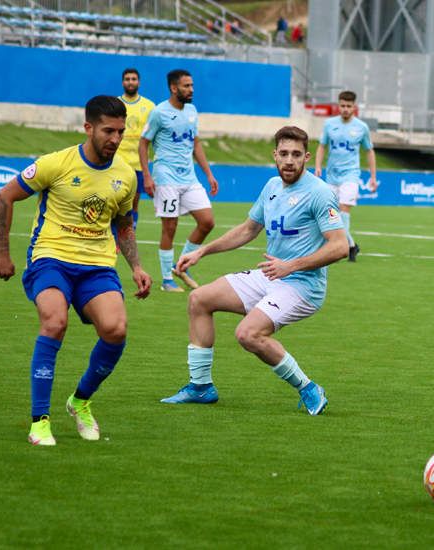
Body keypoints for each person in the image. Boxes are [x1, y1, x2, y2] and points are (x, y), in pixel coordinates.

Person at [0, 95, 152, 446]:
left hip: (96, 266)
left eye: (121, 132)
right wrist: (3, 254)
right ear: (88, 127)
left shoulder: (125, 176)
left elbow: (124, 225)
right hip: (51, 258)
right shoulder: (56, 163)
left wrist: (136, 266)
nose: (115, 139)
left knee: (116, 329)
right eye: (108, 131)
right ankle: (40, 420)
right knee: (54, 321)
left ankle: (80, 401)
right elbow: (4, 196)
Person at [160, 126, 347, 415]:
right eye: (283, 153)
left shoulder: (319, 194)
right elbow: (248, 229)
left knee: (248, 334)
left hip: (302, 286)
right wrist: (202, 251)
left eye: (296, 155)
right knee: (199, 299)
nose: (289, 160)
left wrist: (290, 266)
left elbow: (340, 247)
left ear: (307, 157)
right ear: (274, 154)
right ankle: (201, 387)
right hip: (271, 275)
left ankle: (308, 388)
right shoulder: (272, 187)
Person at [139, 69, 219, 293]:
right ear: (174, 88)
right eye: (186, 86)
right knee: (170, 227)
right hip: (166, 178)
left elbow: (196, 144)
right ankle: (166, 280)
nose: (191, 90)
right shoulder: (159, 112)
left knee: (207, 222)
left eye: (192, 85)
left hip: (189, 177)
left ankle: (180, 265)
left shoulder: (192, 110)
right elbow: (143, 143)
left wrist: (209, 174)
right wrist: (147, 175)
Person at [314, 90, 377, 262]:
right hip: (332, 175)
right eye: (342, 106)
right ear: (338, 106)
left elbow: (369, 151)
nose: (345, 109)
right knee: (332, 213)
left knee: (343, 210)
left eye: (349, 106)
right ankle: (351, 245)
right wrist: (318, 166)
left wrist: (373, 176)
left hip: (351, 175)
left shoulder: (361, 127)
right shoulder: (329, 124)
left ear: (354, 107)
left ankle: (344, 248)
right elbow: (322, 146)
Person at [117, 68, 156, 229]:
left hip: (139, 164)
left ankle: (129, 233)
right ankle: (112, 234)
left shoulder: (149, 106)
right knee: (115, 201)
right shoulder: (115, 104)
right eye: (127, 79)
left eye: (133, 79)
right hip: (117, 163)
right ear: (122, 82)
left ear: (138, 82)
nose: (130, 82)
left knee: (134, 204)